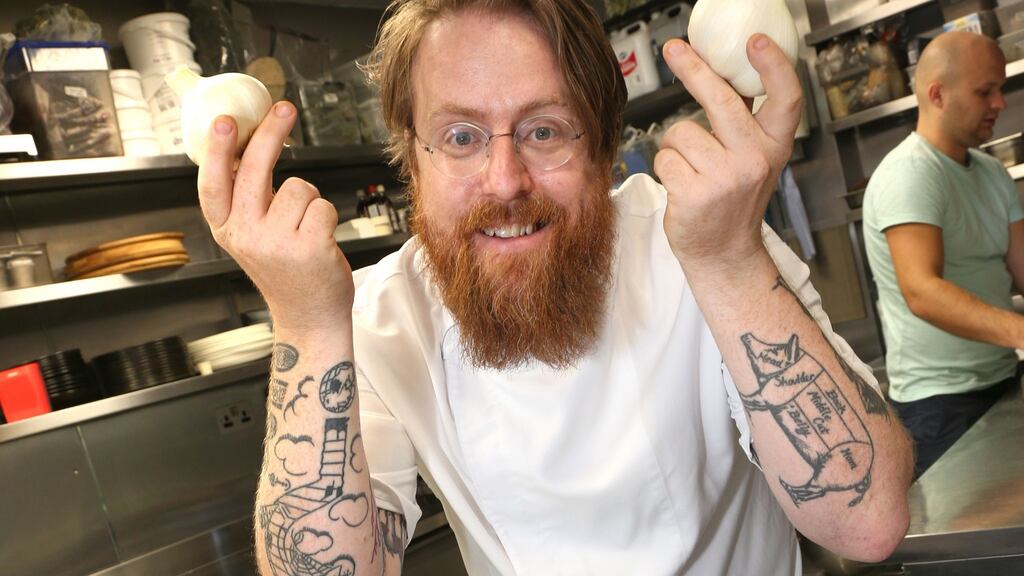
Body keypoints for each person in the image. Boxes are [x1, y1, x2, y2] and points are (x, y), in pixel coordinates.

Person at [197, 1, 913, 574]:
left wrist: (731, 264)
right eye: (460, 137)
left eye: (545, 131)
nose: (505, 181)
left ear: (603, 151)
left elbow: (869, 520)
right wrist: (305, 323)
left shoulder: (704, 236)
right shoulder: (382, 316)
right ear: (411, 158)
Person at [864, 31, 1024, 480]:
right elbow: (923, 292)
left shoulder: (992, 173)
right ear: (937, 94)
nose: (1000, 103)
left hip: (1003, 381)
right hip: (939, 407)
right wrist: (1020, 330)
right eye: (984, 91)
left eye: (1001, 89)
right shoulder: (908, 175)